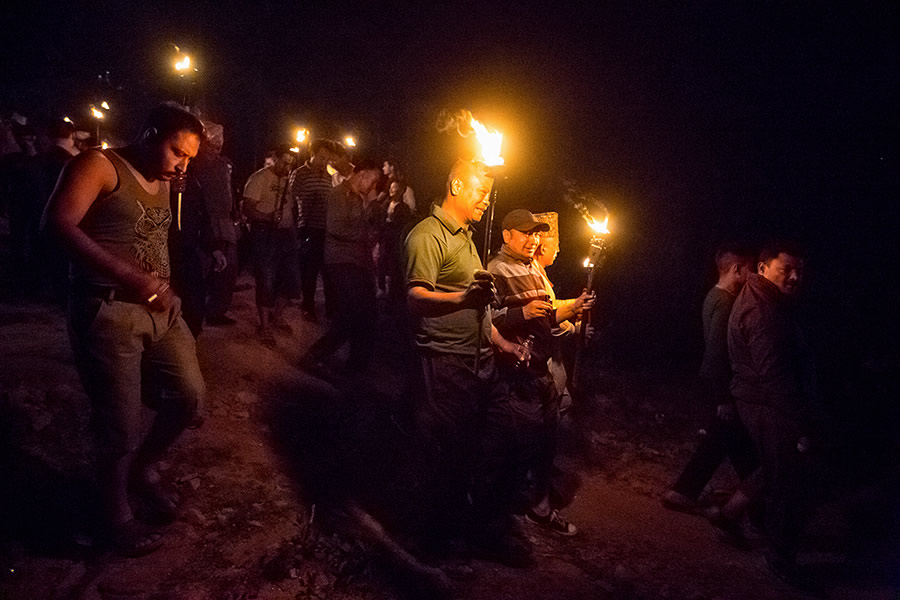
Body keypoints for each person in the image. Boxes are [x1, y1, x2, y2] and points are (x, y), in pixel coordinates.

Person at [43, 103, 206, 557]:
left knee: (189, 396)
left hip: (160, 311)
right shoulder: (99, 165)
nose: (182, 164)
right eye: (177, 152)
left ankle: (145, 469)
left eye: (189, 157)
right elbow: (57, 225)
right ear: (151, 133)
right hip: (109, 309)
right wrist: (132, 278)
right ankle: (115, 517)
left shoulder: (166, 181)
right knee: (119, 425)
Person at [404, 159, 532, 566]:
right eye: (480, 191)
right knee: (448, 456)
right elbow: (415, 297)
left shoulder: (468, 237)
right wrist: (462, 298)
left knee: (497, 442)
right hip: (446, 364)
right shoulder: (427, 236)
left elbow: (476, 307)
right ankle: (432, 545)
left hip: (480, 362)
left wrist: (501, 343)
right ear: (457, 184)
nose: (486, 200)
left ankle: (477, 528)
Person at [488, 209, 592, 537]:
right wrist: (521, 313)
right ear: (507, 235)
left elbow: (547, 314)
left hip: (542, 368)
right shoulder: (496, 269)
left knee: (546, 442)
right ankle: (499, 516)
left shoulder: (532, 267)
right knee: (518, 442)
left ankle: (539, 506)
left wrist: (572, 308)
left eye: (536, 235)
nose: (534, 241)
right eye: (526, 234)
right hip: (516, 372)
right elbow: (486, 318)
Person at [727, 242, 820, 585]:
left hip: (762, 399)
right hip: (768, 404)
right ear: (764, 267)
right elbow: (775, 375)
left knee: (775, 468)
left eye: (799, 271)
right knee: (790, 480)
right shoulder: (763, 311)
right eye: (786, 270)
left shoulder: (770, 300)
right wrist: (802, 423)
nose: (795, 277)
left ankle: (728, 514)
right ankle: (780, 558)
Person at [662, 247, 759, 514]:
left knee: (728, 442)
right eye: (749, 269)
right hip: (721, 384)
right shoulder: (726, 302)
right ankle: (686, 492)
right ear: (736, 269)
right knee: (729, 439)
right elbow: (717, 351)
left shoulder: (715, 295)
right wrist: (723, 398)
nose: (752, 276)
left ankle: (755, 499)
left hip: (715, 381)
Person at [301, 159, 382, 374]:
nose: (373, 186)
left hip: (359, 263)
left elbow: (371, 226)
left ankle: (357, 366)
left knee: (368, 316)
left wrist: (369, 206)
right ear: (362, 174)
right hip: (341, 262)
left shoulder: (359, 199)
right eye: (372, 181)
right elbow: (336, 228)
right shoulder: (339, 195)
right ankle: (316, 354)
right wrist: (365, 234)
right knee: (351, 315)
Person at [242, 144, 298, 347]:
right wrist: (267, 217)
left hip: (286, 235)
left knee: (291, 279)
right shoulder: (259, 178)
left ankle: (277, 315)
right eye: (284, 162)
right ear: (275, 157)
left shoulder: (286, 181)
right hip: (265, 234)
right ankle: (264, 325)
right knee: (266, 278)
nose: (287, 167)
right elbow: (247, 208)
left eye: (291, 164)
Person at [190, 121, 238, 327]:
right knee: (201, 269)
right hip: (204, 222)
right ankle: (195, 310)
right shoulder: (193, 165)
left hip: (225, 223)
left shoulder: (223, 164)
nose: (216, 148)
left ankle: (216, 311)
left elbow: (229, 191)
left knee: (229, 270)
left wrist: (235, 211)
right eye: (212, 144)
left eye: (219, 144)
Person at [290, 138, 335, 321]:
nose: (324, 162)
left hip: (327, 229)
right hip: (308, 228)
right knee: (310, 270)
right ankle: (308, 305)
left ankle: (331, 307)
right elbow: (291, 201)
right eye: (321, 157)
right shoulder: (300, 174)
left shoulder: (329, 176)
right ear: (312, 154)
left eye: (327, 159)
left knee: (328, 270)